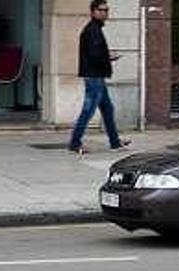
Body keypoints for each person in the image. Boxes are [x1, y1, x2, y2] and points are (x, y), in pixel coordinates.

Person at [68, 0, 130, 155]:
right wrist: (109, 57)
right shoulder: (93, 30)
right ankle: (75, 143)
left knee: (108, 109)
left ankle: (115, 142)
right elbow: (95, 55)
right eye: (101, 10)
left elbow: (95, 53)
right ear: (93, 12)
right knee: (88, 110)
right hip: (93, 76)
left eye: (106, 10)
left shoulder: (95, 29)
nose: (105, 13)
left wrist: (107, 56)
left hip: (97, 76)